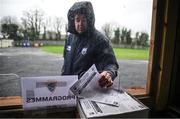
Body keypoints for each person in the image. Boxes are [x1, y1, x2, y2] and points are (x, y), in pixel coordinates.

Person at [62, 1, 119, 88]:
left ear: (89, 20)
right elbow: (65, 65)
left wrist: (108, 73)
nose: (80, 24)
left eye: (84, 20)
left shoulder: (100, 39)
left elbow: (111, 64)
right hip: (68, 90)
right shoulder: (69, 38)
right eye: (77, 20)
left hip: (88, 92)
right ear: (73, 20)